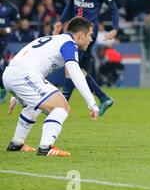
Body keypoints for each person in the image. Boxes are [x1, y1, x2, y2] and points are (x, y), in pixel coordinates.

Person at [3, 17, 99, 157]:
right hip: (23, 75)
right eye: (90, 35)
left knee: (34, 105)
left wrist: (16, 94)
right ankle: (45, 147)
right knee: (61, 107)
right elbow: (75, 72)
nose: (91, 39)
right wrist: (92, 103)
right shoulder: (69, 43)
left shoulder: (53, 39)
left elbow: (27, 61)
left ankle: (16, 144)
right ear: (79, 35)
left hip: (10, 73)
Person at [53, 0, 119, 116]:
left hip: (89, 32)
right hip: (73, 31)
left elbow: (113, 8)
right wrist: (61, 21)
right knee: (75, 67)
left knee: (71, 66)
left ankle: (62, 105)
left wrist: (114, 28)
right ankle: (103, 97)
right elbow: (70, 4)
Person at [0, 0, 21, 103]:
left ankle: (3, 87)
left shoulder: (11, 8)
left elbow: (18, 23)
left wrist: (6, 30)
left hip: (2, 40)